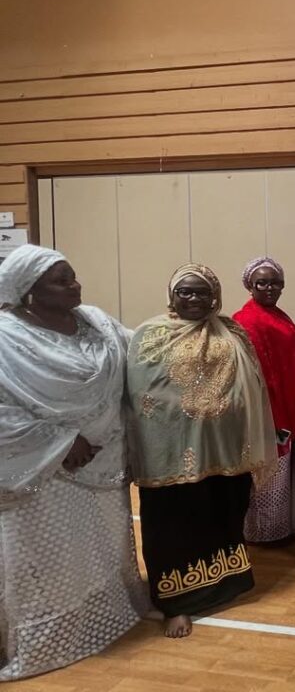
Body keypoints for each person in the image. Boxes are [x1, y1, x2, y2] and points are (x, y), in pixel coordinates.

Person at [0, 245, 148, 679]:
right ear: (28, 290)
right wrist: (62, 442)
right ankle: (47, 636)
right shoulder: (5, 338)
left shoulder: (97, 322)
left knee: (99, 549)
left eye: (73, 276)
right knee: (48, 561)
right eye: (61, 280)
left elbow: (141, 353)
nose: (75, 285)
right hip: (45, 473)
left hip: (104, 462)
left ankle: (102, 615)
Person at [127, 263, 278, 639]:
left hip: (225, 450)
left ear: (215, 296)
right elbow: (141, 395)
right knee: (173, 523)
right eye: (186, 291)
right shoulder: (151, 335)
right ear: (172, 295)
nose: (194, 298)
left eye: (202, 292)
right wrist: (189, 411)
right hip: (171, 454)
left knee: (223, 514)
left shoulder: (232, 332)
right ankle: (175, 604)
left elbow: (252, 386)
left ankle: (225, 585)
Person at [233, 256, 295, 544]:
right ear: (250, 286)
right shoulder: (245, 320)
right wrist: (270, 414)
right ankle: (260, 534)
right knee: (264, 474)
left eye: (275, 283)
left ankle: (275, 529)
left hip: (285, 407)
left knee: (279, 473)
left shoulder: (278, 315)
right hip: (265, 411)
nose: (269, 288)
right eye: (262, 283)